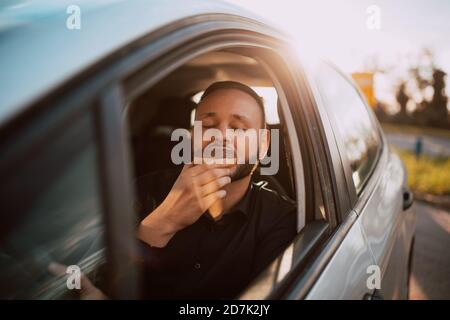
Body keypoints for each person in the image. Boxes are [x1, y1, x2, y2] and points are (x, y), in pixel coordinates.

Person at [135, 81, 296, 299]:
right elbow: (105, 284)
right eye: (209, 125)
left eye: (239, 129)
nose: (221, 136)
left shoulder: (281, 219)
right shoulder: (142, 191)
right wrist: (162, 223)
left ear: (264, 143)